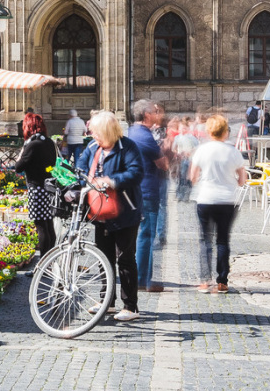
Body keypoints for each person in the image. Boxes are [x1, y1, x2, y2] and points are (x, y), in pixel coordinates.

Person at [74, 109, 144, 321]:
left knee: (125, 259)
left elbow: (136, 172)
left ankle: (130, 306)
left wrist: (111, 181)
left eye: (95, 131)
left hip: (125, 211)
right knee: (104, 259)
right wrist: (81, 182)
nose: (92, 135)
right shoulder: (93, 147)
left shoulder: (127, 147)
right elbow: (81, 168)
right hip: (100, 212)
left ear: (106, 131)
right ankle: (107, 301)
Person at [189, 115, 246, 293]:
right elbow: (242, 179)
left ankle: (204, 281)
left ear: (209, 131)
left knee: (205, 240)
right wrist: (232, 182)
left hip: (205, 198)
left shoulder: (201, 150)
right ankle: (222, 281)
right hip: (227, 200)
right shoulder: (233, 151)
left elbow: (193, 177)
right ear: (225, 132)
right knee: (222, 240)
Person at [128, 99, 168, 293]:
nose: (157, 115)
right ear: (146, 115)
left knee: (139, 235)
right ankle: (143, 279)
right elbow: (163, 164)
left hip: (135, 189)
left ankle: (141, 277)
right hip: (146, 191)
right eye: (154, 112)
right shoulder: (145, 136)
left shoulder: (131, 131)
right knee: (146, 235)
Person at [13, 112, 58, 256]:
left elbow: (18, 167)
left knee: (41, 226)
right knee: (48, 224)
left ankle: (44, 263)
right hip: (49, 187)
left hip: (37, 188)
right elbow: (52, 163)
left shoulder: (33, 144)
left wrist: (21, 153)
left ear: (29, 127)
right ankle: (50, 261)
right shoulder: (49, 142)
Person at [167, 116, 199, 203]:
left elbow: (197, 147)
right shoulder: (177, 138)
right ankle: (179, 195)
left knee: (188, 179)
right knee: (181, 178)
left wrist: (190, 151)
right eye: (181, 128)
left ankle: (186, 196)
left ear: (187, 129)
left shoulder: (192, 138)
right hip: (181, 160)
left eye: (184, 128)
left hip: (190, 160)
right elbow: (174, 149)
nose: (182, 130)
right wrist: (178, 153)